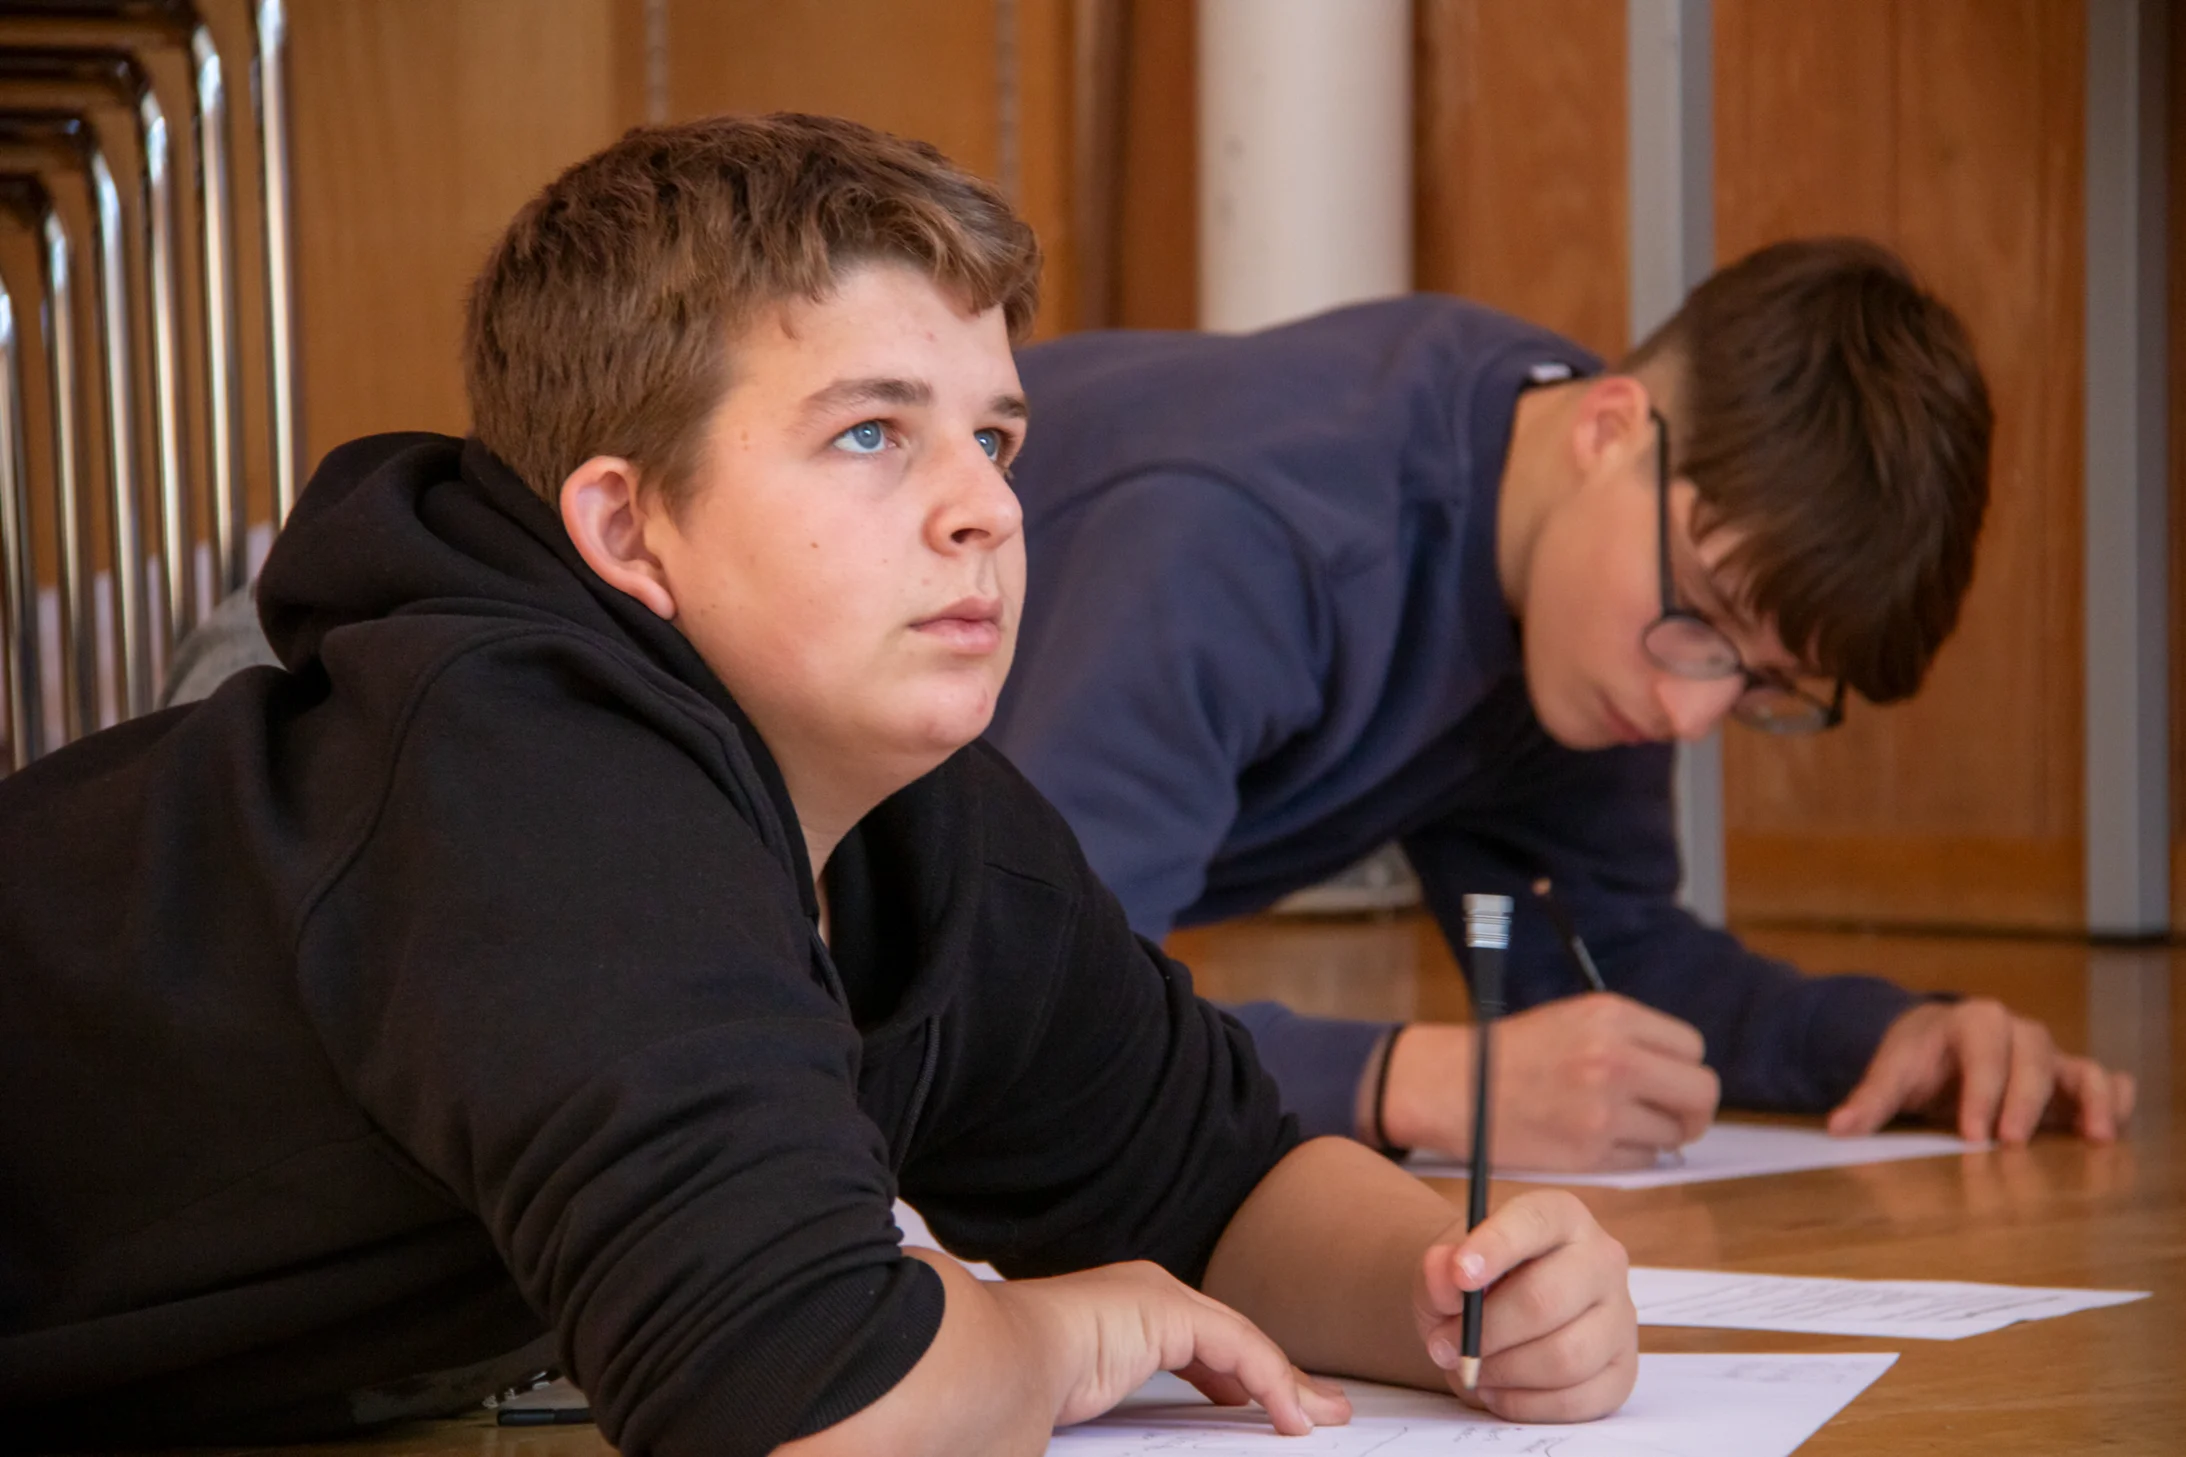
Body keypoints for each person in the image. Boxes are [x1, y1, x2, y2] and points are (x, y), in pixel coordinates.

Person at [0, 115, 1636, 1454]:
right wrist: (1062, 1330)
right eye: (872, 435)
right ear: (627, 527)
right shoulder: (534, 773)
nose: (983, 510)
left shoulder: (915, 807)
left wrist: (1448, 1278)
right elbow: (794, 1400)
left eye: (993, 440)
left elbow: (1216, 1175)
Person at [985, 239, 2138, 1172]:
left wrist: (1887, 1039)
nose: (1693, 712)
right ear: (1608, 430)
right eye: (1702, 612)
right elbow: (1028, 1012)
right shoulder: (1245, 543)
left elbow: (1601, 958)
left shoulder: (1584, 565)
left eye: (1760, 684)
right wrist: (1408, 1082)